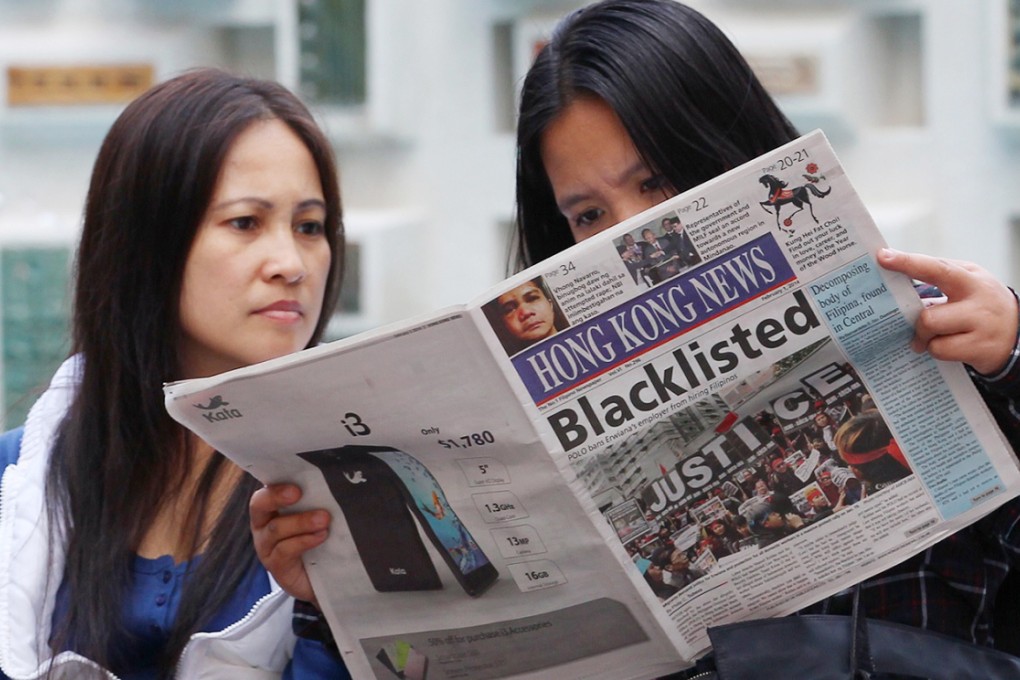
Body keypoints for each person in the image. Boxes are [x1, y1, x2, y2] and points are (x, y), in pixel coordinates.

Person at [507, 0, 1020, 661]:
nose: (630, 232)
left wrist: (1009, 355)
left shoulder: (927, 328)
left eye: (656, 180)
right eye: (586, 214)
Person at [0, 69, 349, 679]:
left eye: (310, 226)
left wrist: (331, 607)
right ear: (148, 241)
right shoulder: (18, 481)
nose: (291, 264)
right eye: (246, 223)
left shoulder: (349, 478)